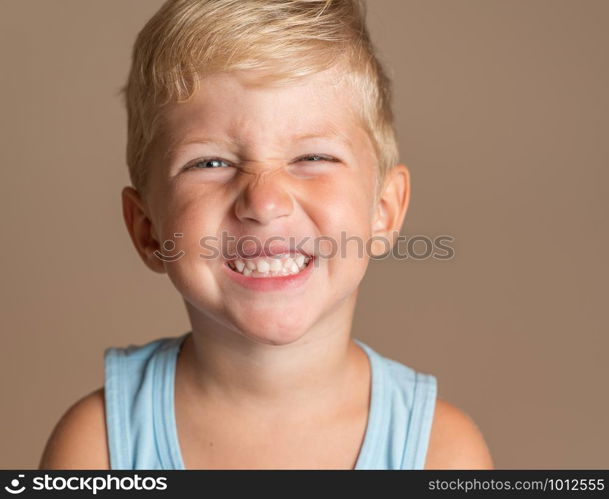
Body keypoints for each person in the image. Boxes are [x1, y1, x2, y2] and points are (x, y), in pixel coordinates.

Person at [39, 0, 493, 470]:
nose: (265, 202)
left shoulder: (441, 452)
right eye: (210, 163)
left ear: (383, 210)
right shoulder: (99, 446)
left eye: (313, 158)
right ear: (148, 229)